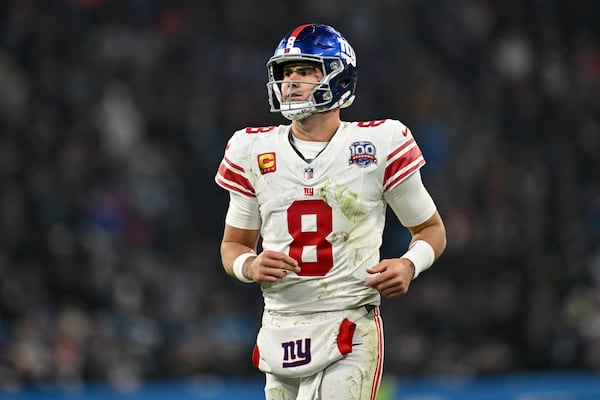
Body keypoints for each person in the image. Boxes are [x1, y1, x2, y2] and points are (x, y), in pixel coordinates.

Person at [215, 23, 446, 400]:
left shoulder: (378, 143)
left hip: (347, 321)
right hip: (279, 325)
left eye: (305, 71)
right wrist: (249, 266)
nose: (291, 82)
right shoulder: (251, 150)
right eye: (286, 72)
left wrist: (409, 264)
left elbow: (432, 229)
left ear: (339, 77)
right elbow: (233, 245)